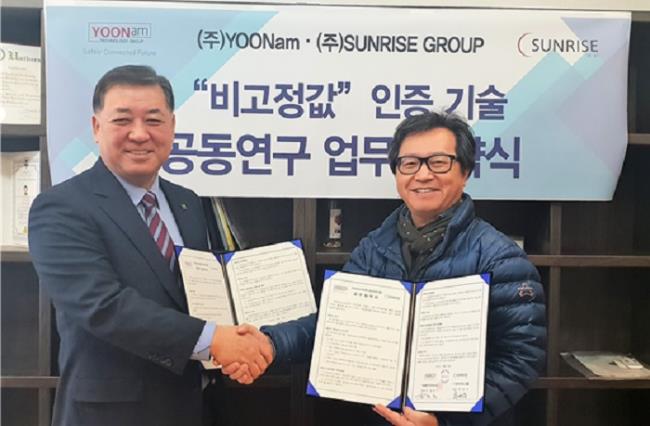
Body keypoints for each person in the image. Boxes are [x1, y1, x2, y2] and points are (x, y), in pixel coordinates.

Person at [252, 110, 546, 425]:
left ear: (465, 171)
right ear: (397, 173)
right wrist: (269, 343)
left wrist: (443, 420)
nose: (423, 175)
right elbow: (331, 326)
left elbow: (521, 357)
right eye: (410, 163)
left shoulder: (500, 257)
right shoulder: (374, 248)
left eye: (438, 162)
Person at [28, 65, 272, 426]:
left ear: (172, 126)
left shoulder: (187, 202)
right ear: (96, 127)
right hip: (112, 415)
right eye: (122, 120)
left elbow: (197, 296)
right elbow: (103, 306)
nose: (140, 134)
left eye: (154, 120)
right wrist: (217, 341)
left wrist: (243, 341)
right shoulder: (61, 207)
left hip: (196, 407)